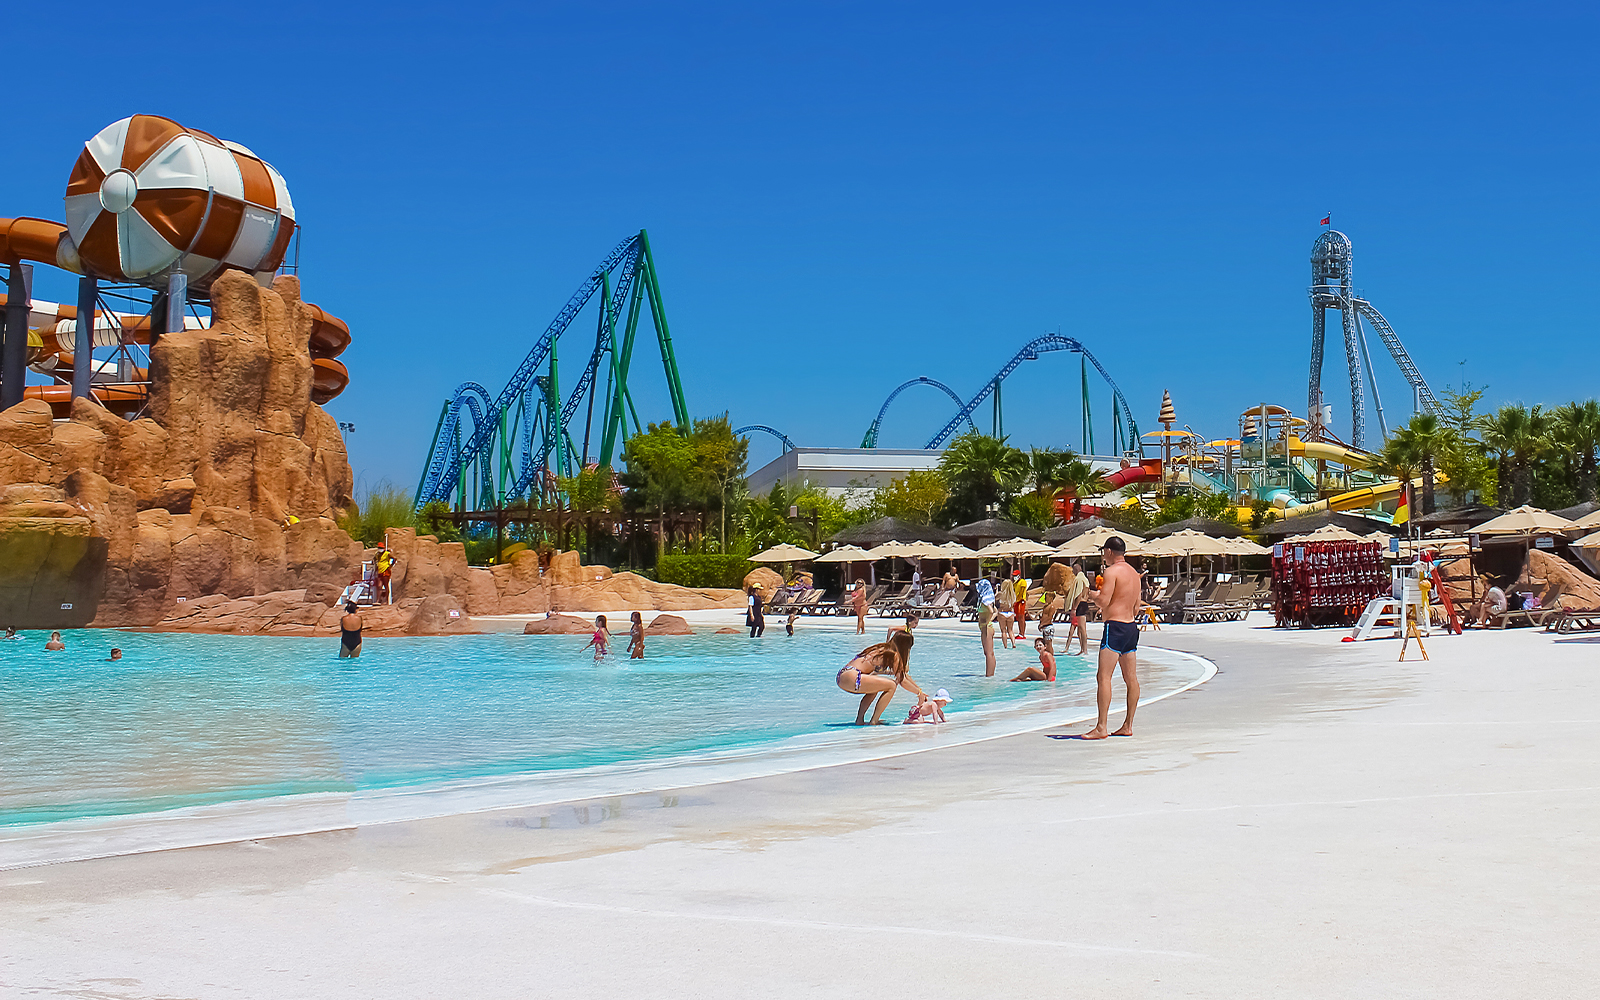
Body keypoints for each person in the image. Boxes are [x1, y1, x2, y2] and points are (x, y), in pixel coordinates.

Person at [1079, 536, 1141, 739]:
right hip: (1131, 627)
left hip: (1114, 627)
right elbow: (1136, 607)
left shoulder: (1111, 572)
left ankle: (1101, 727)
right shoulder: (1134, 573)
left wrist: (1090, 595)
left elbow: (1103, 602)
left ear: (1108, 551)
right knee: (1131, 678)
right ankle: (1128, 725)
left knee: (1103, 677)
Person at [836, 630, 927, 724]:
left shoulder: (882, 648)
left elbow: (903, 675)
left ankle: (860, 720)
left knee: (875, 687)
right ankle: (874, 721)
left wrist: (919, 689)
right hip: (853, 676)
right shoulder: (894, 654)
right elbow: (901, 680)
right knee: (892, 685)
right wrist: (919, 694)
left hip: (842, 676)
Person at [976, 572, 1000, 676]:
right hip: (985, 627)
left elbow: (991, 611)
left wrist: (988, 621)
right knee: (987, 653)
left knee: (989, 653)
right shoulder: (988, 599)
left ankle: (989, 675)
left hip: (986, 627)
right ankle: (991, 674)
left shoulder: (986, 600)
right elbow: (996, 612)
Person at [1066, 561, 1091, 656]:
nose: (1072, 572)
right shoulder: (1084, 578)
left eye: (1073, 570)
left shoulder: (1079, 579)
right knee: (1081, 629)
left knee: (1082, 629)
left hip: (1080, 605)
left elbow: (1079, 594)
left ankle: (1084, 650)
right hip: (1084, 604)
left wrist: (1074, 608)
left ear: (1076, 570)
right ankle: (1083, 649)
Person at [1012, 571, 1030, 638]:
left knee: (1021, 617)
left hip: (1021, 601)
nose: (1014, 577)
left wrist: (1021, 599)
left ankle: (1022, 633)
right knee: (1018, 617)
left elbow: (1022, 591)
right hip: (1016, 601)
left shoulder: (1022, 581)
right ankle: (1020, 632)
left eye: (1015, 575)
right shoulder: (1015, 583)